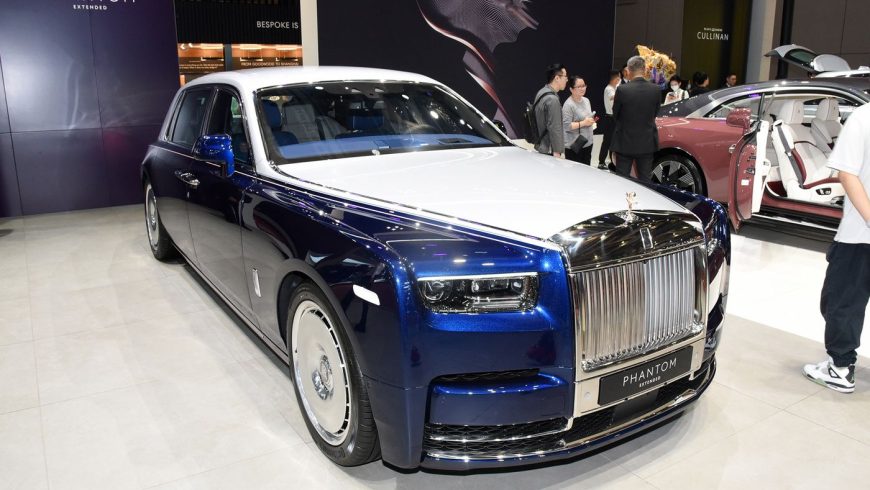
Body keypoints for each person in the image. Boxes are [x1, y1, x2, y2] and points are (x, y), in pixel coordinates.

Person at [803, 102, 870, 394]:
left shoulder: (863, 117)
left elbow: (847, 174)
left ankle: (840, 369)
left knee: (841, 302)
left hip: (860, 235)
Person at [611, 55, 661, 182]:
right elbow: (655, 113)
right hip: (647, 142)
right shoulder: (655, 89)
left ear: (628, 70)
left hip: (625, 141)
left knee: (622, 180)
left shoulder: (622, 90)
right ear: (644, 69)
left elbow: (615, 115)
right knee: (645, 180)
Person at [533, 64, 568, 157]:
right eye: (565, 76)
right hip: (549, 150)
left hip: (541, 146)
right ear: (557, 78)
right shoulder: (552, 99)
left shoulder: (541, 92)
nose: (567, 80)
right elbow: (555, 127)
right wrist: (557, 152)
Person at [562, 75, 596, 165]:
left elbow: (587, 118)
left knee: (586, 169)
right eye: (579, 86)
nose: (582, 88)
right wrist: (584, 123)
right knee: (575, 171)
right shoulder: (568, 105)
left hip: (587, 143)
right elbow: (566, 126)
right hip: (575, 145)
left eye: (584, 85)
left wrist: (591, 121)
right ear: (571, 89)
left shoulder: (586, 100)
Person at [598, 70, 620, 168]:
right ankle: (601, 162)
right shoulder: (609, 89)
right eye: (618, 78)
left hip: (614, 118)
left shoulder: (615, 88)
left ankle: (612, 162)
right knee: (607, 141)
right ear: (615, 79)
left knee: (613, 142)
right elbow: (612, 97)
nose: (619, 80)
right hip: (610, 119)